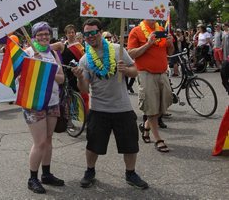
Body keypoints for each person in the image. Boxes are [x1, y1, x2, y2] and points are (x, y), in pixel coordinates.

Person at [72, 18, 148, 189]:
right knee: (93, 145)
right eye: (86, 34)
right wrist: (79, 77)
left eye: (93, 33)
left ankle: (131, 173)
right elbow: (84, 89)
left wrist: (126, 70)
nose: (90, 37)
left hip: (122, 107)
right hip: (99, 109)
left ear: (100, 32)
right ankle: (90, 171)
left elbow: (135, 71)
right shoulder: (85, 60)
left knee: (130, 145)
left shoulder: (117, 50)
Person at [22, 22, 65, 194]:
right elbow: (20, 79)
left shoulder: (53, 53)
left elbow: (61, 78)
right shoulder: (28, 53)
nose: (44, 37)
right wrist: (35, 66)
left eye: (46, 33)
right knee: (39, 142)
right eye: (40, 34)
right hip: (34, 102)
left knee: (48, 140)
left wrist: (47, 70)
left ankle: (46, 174)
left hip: (53, 101)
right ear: (34, 36)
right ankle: (32, 178)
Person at [128, 18, 174, 153]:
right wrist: (148, 44)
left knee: (165, 103)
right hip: (146, 74)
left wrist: (170, 44)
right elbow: (131, 53)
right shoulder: (136, 31)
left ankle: (146, 126)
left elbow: (169, 53)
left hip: (162, 72)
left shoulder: (161, 30)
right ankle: (158, 139)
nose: (153, 16)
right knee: (151, 107)